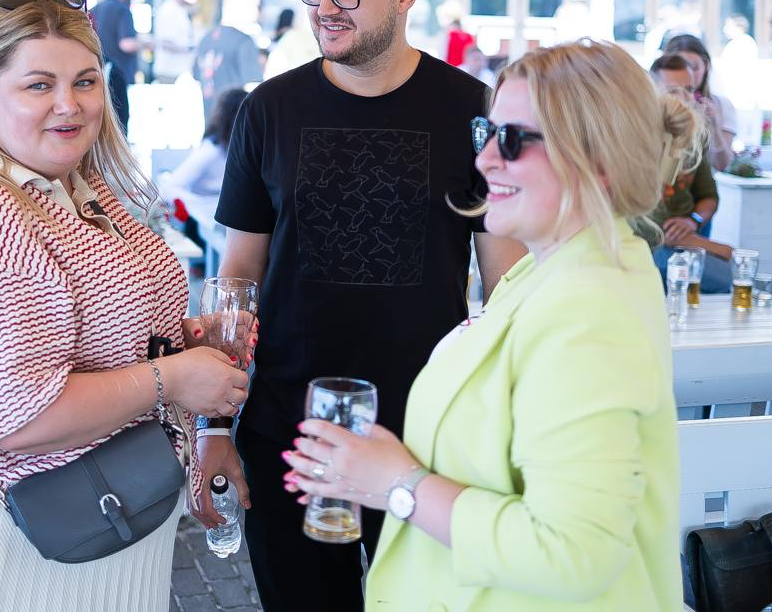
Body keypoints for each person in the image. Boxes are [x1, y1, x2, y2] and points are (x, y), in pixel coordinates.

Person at [203, 0, 525, 612]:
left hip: (429, 439)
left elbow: (506, 289)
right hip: (290, 431)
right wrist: (214, 427)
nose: (325, 6)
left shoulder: (475, 112)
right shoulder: (267, 110)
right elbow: (236, 282)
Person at [283, 40, 689, 611]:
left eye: (515, 140)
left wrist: (397, 483)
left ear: (599, 163)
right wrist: (372, 467)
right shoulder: (550, 273)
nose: (485, 160)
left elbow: (574, 553)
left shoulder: (588, 309)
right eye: (487, 133)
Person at [0, 0, 251, 611]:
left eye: (85, 81)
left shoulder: (77, 190)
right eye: (39, 84)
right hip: (2, 541)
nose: (69, 104)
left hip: (100, 521)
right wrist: (173, 377)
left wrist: (179, 343)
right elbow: (17, 419)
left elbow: (86, 340)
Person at [648, 54, 732, 293]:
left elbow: (709, 196)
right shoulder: (636, 140)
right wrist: (719, 249)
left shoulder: (690, 139)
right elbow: (655, 228)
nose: (683, 98)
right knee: (727, 279)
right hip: (650, 247)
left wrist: (693, 220)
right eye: (673, 90)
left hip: (682, 240)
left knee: (731, 277)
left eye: (688, 89)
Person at [160, 88, 248, 250]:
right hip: (205, 223)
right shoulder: (211, 150)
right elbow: (170, 187)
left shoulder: (241, 149)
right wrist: (198, 205)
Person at [665, 34, 736, 172]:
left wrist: (714, 125)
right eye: (680, 66)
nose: (687, 73)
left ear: (706, 66)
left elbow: (724, 165)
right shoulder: (656, 105)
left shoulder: (721, 106)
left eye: (694, 67)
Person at [192, 0, 263, 120]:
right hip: (236, 127)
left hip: (211, 126)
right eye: (253, 5)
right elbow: (253, 89)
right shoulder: (244, 41)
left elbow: (196, 80)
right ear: (238, 7)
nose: (257, 11)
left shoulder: (206, 39)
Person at [90, 0, 139, 131]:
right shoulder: (123, 10)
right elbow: (127, 44)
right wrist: (148, 43)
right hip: (118, 75)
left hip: (98, 73)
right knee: (120, 124)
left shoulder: (97, 8)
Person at [153, 0, 199, 84]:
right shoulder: (169, 10)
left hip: (179, 71)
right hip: (170, 73)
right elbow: (165, 43)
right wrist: (190, 48)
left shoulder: (180, 10)